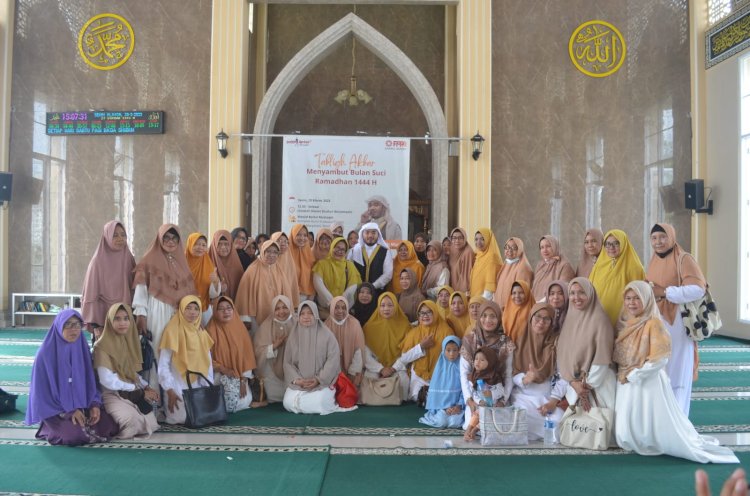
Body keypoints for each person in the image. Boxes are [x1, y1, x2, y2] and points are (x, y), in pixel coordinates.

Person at [613, 281, 739, 463]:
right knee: (625, 431)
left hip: (646, 381)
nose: (632, 303)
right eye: (628, 298)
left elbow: (660, 358)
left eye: (637, 298)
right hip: (627, 380)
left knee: (648, 428)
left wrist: (635, 375)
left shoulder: (654, 323)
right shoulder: (626, 322)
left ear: (647, 300)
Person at [26, 310, 119, 445]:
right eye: (67, 324)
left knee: (109, 426)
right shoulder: (45, 354)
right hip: (57, 409)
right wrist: (69, 410)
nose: (73, 329)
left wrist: (94, 404)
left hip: (82, 403)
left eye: (77, 325)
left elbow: (90, 380)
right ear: (59, 326)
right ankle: (47, 428)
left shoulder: (81, 348)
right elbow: (41, 393)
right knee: (73, 436)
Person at [646, 223, 707, 416]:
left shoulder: (684, 259)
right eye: (654, 238)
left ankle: (679, 419)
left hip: (678, 323)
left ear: (671, 237)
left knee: (678, 369)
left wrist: (664, 292)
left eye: (662, 237)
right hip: (658, 321)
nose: (658, 242)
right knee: (660, 369)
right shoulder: (653, 260)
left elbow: (698, 288)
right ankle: (663, 420)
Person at [133, 224, 196, 389]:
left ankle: (172, 394)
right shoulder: (148, 261)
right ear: (159, 239)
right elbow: (141, 292)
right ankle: (155, 398)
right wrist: (141, 317)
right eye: (166, 238)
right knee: (157, 351)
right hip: (156, 312)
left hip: (177, 315)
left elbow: (188, 293)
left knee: (174, 351)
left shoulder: (181, 263)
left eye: (174, 238)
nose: (170, 242)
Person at [93, 304, 160, 439]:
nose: (122, 323)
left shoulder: (125, 341)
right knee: (132, 422)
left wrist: (145, 386)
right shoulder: (101, 346)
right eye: (117, 319)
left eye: (126, 318)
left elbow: (131, 372)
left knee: (152, 423)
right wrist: (138, 390)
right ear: (110, 321)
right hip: (110, 394)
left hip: (129, 392)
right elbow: (107, 381)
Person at [556, 278, 616, 417]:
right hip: (574, 387)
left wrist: (584, 386)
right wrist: (572, 382)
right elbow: (564, 356)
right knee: (578, 434)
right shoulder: (570, 319)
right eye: (572, 293)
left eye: (582, 292)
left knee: (599, 432)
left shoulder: (600, 320)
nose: (576, 297)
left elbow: (602, 358)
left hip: (597, 386)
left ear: (590, 294)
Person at [282, 302, 352, 415]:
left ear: (316, 315)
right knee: (288, 403)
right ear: (298, 317)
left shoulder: (327, 335)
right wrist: (297, 380)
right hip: (300, 383)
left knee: (319, 403)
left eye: (310, 313)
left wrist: (319, 379)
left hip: (322, 382)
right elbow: (287, 362)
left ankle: (308, 404)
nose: (306, 317)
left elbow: (333, 360)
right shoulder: (293, 336)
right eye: (302, 314)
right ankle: (304, 404)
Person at [511, 303, 566, 441]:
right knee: (518, 418)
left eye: (546, 319)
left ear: (552, 323)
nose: (541, 322)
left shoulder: (556, 343)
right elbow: (510, 373)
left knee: (559, 421)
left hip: (547, 397)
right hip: (523, 396)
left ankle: (533, 434)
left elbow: (564, 375)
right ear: (531, 318)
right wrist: (524, 379)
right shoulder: (520, 341)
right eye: (538, 317)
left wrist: (553, 402)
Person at [158, 295, 215, 425]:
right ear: (182, 309)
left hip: (198, 385)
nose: (192, 312)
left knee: (201, 414)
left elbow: (208, 363)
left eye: (196, 309)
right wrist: (170, 390)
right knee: (183, 417)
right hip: (177, 385)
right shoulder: (171, 331)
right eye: (188, 308)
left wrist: (207, 388)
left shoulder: (201, 333)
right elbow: (163, 365)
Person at [459, 301, 514, 430]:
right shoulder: (469, 340)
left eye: (493, 316)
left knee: (497, 427)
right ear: (479, 317)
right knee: (471, 425)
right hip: (475, 396)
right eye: (484, 315)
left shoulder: (506, 343)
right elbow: (464, 373)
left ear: (499, 319)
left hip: (497, 394)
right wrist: (469, 400)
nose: (488, 320)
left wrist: (502, 401)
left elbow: (508, 375)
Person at [206, 296, 264, 413]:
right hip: (218, 374)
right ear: (215, 311)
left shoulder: (240, 329)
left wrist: (243, 380)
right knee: (222, 403)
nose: (226, 312)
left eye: (229, 308)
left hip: (239, 375)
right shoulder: (209, 330)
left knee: (243, 401)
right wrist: (223, 369)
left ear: (233, 310)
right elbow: (205, 358)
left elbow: (247, 356)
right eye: (221, 309)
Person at [81, 220, 135, 339]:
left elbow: (134, 289)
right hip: (103, 322)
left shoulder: (128, 258)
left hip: (125, 320)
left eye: (123, 235)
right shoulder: (97, 262)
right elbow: (91, 296)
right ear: (107, 237)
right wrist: (96, 326)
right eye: (115, 235)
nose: (120, 238)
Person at [397, 300, 454, 402]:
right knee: (416, 397)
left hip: (440, 374)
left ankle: (428, 396)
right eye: (422, 313)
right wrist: (421, 346)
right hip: (419, 375)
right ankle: (425, 396)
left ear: (435, 312)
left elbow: (452, 356)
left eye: (429, 312)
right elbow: (404, 358)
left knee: (440, 398)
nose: (425, 315)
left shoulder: (446, 331)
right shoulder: (414, 333)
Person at [235, 240, 295, 334]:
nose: (272, 255)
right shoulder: (252, 270)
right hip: (255, 316)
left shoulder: (280, 271)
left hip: (278, 314)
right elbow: (244, 294)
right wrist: (246, 318)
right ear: (263, 252)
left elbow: (286, 293)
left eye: (275, 252)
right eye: (269, 251)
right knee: (259, 341)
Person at [589, 229, 645, 325]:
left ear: (623, 243)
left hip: (623, 321)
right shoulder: (600, 264)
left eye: (616, 243)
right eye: (608, 244)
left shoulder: (634, 266)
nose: (611, 247)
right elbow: (590, 288)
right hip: (598, 319)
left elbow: (640, 296)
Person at [253, 295, 296, 402]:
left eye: (284, 307)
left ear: (290, 308)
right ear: (273, 310)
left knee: (293, 395)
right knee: (276, 396)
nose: (281, 311)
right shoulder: (265, 326)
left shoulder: (298, 322)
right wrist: (274, 346)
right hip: (273, 371)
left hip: (295, 369)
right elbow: (258, 352)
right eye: (277, 308)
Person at [418, 336, 464, 429]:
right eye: (448, 350)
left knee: (455, 423)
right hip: (441, 408)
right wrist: (444, 408)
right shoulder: (439, 369)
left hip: (458, 407)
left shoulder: (462, 367)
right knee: (441, 422)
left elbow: (465, 390)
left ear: (459, 350)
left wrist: (458, 406)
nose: (452, 354)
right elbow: (435, 396)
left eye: (455, 350)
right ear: (443, 350)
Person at [362, 292, 412, 377]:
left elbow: (408, 351)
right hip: (375, 365)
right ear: (378, 307)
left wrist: (394, 368)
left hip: (398, 366)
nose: (386, 309)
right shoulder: (369, 327)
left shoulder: (405, 325)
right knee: (369, 380)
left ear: (396, 306)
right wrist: (380, 368)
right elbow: (365, 353)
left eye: (390, 305)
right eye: (382, 305)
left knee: (403, 381)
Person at [463, 346, 507, 441]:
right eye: (476, 359)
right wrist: (479, 401)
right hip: (482, 405)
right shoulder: (474, 376)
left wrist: (491, 393)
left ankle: (475, 430)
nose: (477, 362)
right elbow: (473, 393)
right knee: (477, 413)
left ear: (490, 362)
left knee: (488, 415)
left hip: (493, 405)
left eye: (482, 360)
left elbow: (501, 391)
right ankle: (468, 430)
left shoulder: (495, 377)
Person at [324, 297, 366, 388]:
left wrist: (352, 372)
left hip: (352, 371)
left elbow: (358, 351)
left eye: (343, 308)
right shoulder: (325, 326)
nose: (340, 311)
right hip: (332, 371)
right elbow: (323, 354)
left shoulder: (354, 324)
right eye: (337, 307)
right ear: (331, 308)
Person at [312, 237, 362, 310]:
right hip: (325, 306)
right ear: (332, 247)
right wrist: (332, 302)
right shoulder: (322, 264)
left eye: (343, 249)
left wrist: (340, 302)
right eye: (337, 247)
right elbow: (318, 284)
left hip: (342, 308)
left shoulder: (350, 265)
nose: (339, 251)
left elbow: (353, 285)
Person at [185, 232, 221, 326]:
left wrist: (216, 282)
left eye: (203, 245)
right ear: (190, 244)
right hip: (184, 308)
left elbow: (213, 294)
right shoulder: (181, 263)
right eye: (196, 244)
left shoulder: (209, 264)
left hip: (204, 308)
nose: (200, 247)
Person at [348, 223, 393, 295]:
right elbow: (349, 272)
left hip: (377, 293)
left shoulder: (385, 251)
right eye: (367, 232)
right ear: (362, 234)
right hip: (357, 293)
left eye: (373, 232)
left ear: (378, 234)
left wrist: (373, 286)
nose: (370, 235)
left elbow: (388, 274)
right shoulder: (354, 251)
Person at [530, 235, 576, 302]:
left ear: (555, 246)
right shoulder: (540, 265)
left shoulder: (564, 265)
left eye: (548, 246)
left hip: (553, 305)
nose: (545, 250)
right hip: (535, 306)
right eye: (542, 247)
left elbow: (563, 289)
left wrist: (543, 302)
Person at [493, 236, 534, 310]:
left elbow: (521, 295)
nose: (509, 250)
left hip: (513, 310)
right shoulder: (506, 264)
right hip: (501, 309)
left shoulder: (523, 268)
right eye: (507, 247)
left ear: (520, 250)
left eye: (514, 248)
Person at [208, 229, 244, 300]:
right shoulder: (207, 262)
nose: (223, 247)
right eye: (219, 244)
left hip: (232, 308)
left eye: (226, 244)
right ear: (214, 245)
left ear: (231, 245)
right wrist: (217, 287)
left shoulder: (237, 265)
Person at [470, 228, 503, 299]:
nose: (478, 242)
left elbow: (490, 285)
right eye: (476, 239)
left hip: (484, 300)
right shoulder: (478, 255)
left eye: (482, 239)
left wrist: (482, 302)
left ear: (488, 240)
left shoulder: (492, 257)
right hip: (475, 299)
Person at [271, 232, 301, 308]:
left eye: (285, 241)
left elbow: (292, 282)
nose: (283, 244)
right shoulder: (268, 259)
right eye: (279, 240)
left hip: (286, 301)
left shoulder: (289, 260)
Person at [289, 224, 316, 302]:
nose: (302, 238)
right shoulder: (286, 254)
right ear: (293, 235)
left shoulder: (309, 254)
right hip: (289, 297)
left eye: (305, 235)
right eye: (298, 234)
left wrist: (309, 300)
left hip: (306, 298)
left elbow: (312, 279)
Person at [448, 227, 475, 294]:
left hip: (461, 291)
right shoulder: (452, 249)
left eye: (460, 238)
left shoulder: (468, 252)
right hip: (451, 288)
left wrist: (459, 294)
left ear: (464, 239)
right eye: (454, 238)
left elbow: (466, 277)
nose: (457, 241)